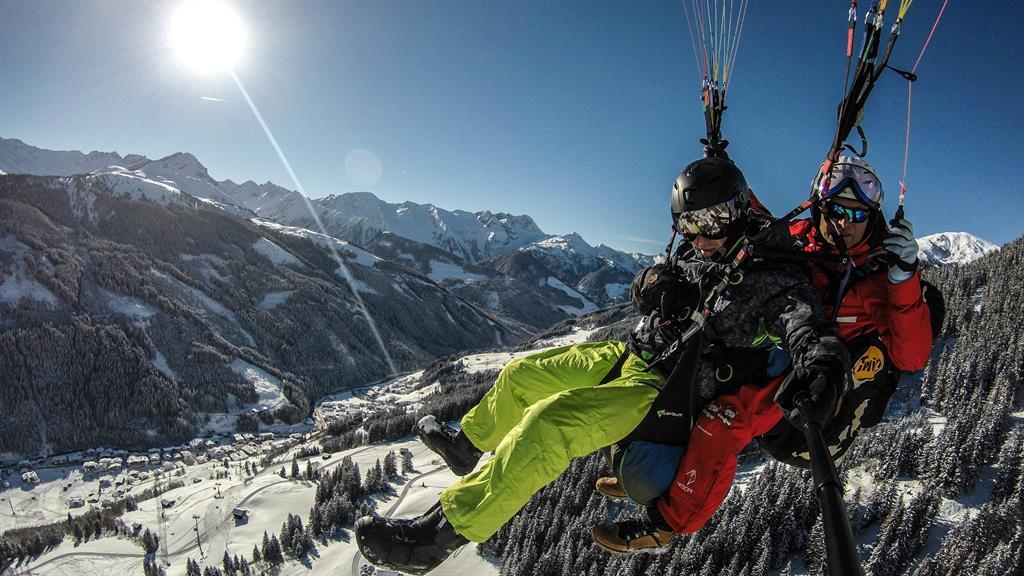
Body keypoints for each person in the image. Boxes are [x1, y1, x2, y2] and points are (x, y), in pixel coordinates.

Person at [354, 156, 849, 574]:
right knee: (522, 374)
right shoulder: (705, 247)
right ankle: (467, 447)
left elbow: (804, 323)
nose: (697, 236)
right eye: (687, 224)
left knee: (548, 425)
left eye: (709, 223)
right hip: (635, 354)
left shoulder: (772, 276)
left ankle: (439, 537)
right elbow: (647, 284)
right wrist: (652, 285)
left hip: (666, 390)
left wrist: (821, 362)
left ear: (737, 211)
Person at [590, 155, 936, 553]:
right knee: (686, 378)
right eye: (836, 210)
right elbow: (754, 219)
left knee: (721, 422)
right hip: (772, 345)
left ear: (872, 216)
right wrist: (720, 174)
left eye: (856, 214)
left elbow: (912, 356)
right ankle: (654, 474)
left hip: (810, 370)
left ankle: (666, 524)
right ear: (818, 206)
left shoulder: (879, 275)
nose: (844, 223)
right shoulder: (800, 235)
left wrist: (904, 278)